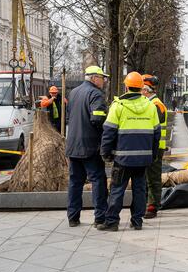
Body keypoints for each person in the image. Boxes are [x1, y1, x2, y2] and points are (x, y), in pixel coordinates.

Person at [98, 72, 160, 231]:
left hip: (123, 158)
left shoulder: (118, 106)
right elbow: (156, 134)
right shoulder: (150, 106)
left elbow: (109, 132)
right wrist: (152, 154)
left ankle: (112, 222)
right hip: (143, 159)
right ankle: (137, 221)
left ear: (126, 86)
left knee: (117, 189)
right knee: (140, 190)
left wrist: (105, 152)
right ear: (141, 87)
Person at [65, 66, 109, 228]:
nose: (104, 81)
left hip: (73, 145)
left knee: (75, 182)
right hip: (90, 146)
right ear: (93, 78)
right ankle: (100, 217)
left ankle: (73, 218)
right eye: (101, 77)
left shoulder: (74, 92)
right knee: (98, 180)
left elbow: (71, 116)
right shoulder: (96, 94)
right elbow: (98, 119)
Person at [141, 74, 167, 219]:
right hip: (151, 146)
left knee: (153, 177)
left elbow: (151, 127)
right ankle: (150, 203)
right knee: (148, 176)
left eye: (140, 90)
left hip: (155, 147)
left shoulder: (156, 105)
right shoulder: (153, 103)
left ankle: (152, 206)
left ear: (146, 90)